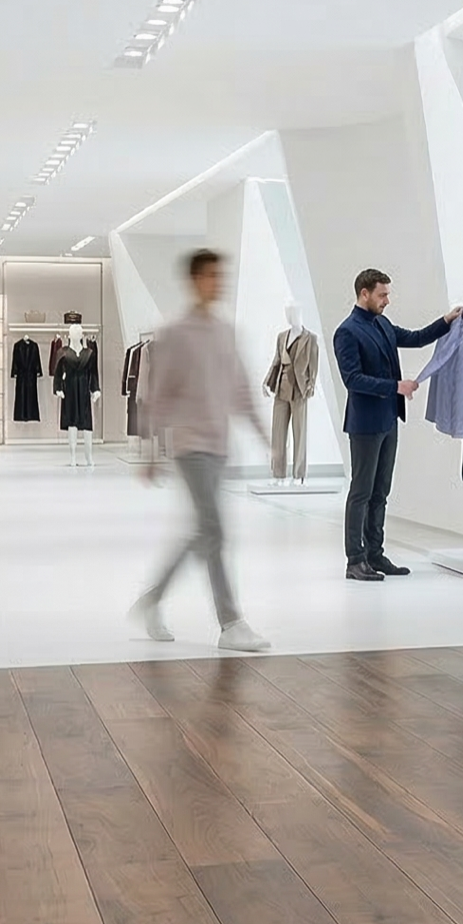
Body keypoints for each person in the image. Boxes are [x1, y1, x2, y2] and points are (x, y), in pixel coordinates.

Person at [129, 249, 272, 652]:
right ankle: (231, 623)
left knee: (203, 531)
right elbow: (158, 396)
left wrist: (265, 436)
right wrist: (150, 454)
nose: (218, 282)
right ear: (194, 280)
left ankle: (152, 600)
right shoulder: (174, 333)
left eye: (221, 275)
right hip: (189, 446)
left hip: (219, 444)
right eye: (211, 276)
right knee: (215, 530)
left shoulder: (227, 332)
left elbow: (241, 388)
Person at [332, 268, 461, 582]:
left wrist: (447, 320)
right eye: (382, 294)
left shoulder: (383, 324)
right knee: (361, 491)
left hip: (389, 420)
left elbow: (415, 338)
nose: (387, 300)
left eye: (387, 294)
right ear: (364, 293)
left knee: (381, 492)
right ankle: (355, 560)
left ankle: (375, 554)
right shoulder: (347, 331)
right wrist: (395, 387)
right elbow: (353, 380)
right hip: (365, 424)